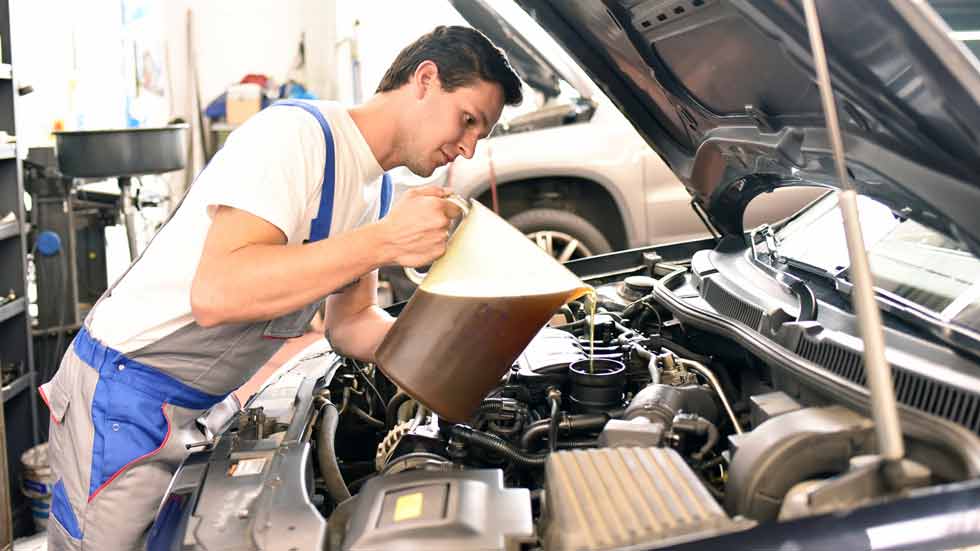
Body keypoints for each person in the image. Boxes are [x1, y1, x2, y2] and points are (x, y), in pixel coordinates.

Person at [38, 25, 523, 550]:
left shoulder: (375, 187)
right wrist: (384, 241)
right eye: (469, 120)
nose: (470, 148)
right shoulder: (296, 136)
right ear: (425, 79)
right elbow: (219, 293)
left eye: (482, 134)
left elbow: (351, 323)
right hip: (124, 395)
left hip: (198, 404)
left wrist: (454, 360)